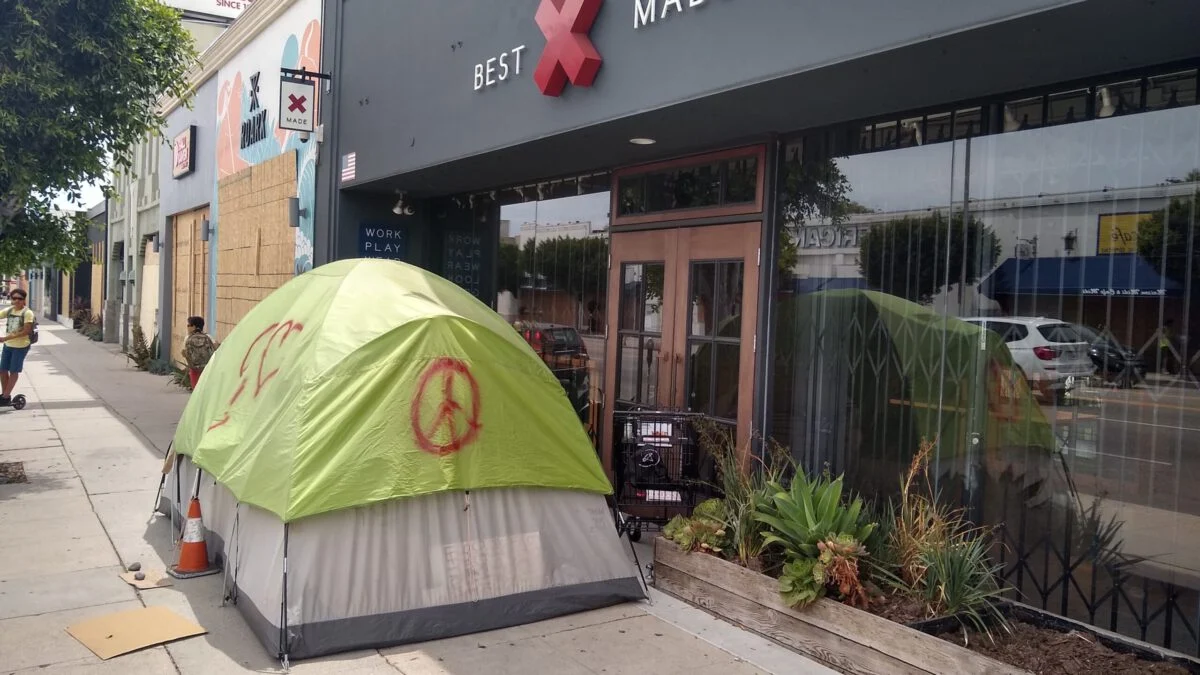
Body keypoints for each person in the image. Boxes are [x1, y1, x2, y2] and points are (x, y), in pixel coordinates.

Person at [0, 289, 35, 405]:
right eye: (14, 298)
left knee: (13, 371)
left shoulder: (27, 313)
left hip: (21, 346)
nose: (16, 301)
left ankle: (5, 396)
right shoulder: (10, 310)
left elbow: (26, 331)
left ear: (24, 300)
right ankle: (5, 396)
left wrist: (5, 338)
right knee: (2, 370)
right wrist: (7, 340)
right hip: (8, 345)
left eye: (19, 298)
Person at [181, 316, 216, 390]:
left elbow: (185, 354)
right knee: (206, 389)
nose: (187, 327)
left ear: (193, 326)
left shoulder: (188, 338)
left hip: (194, 369)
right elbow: (215, 350)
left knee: (196, 390)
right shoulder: (208, 337)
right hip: (207, 368)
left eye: (188, 325)